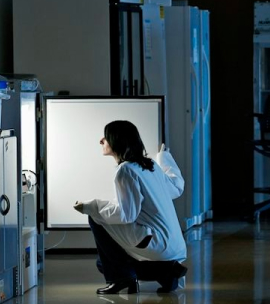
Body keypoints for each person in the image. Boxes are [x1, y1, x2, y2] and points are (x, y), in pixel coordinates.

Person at [74, 120, 189, 294]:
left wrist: (89, 206)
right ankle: (166, 272)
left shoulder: (125, 170)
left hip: (157, 243)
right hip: (175, 245)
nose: (101, 141)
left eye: (106, 137)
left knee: (95, 218)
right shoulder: (150, 165)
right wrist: (164, 157)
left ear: (117, 141)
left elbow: (127, 214)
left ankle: (121, 279)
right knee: (103, 263)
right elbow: (176, 187)